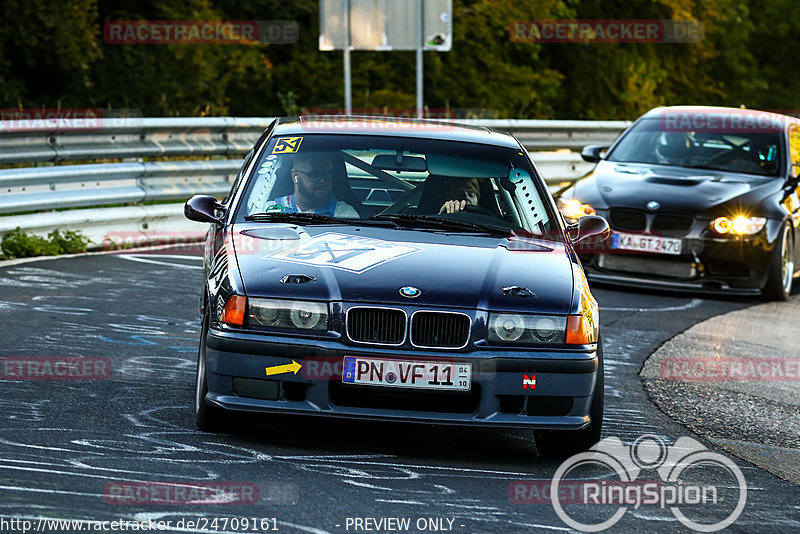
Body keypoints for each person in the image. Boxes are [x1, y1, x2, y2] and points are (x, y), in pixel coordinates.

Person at [265, 152, 358, 217]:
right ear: (295, 176)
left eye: (327, 175)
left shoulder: (345, 215)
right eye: (314, 175)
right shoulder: (269, 211)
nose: (322, 181)